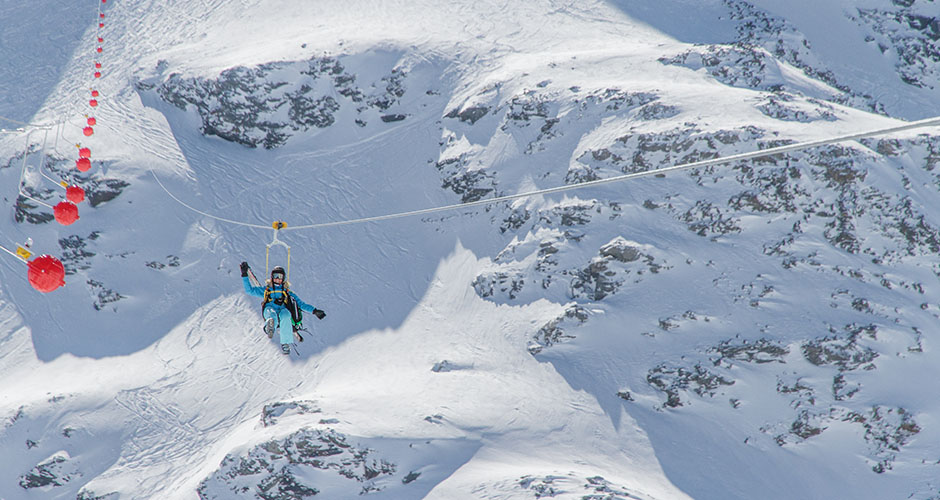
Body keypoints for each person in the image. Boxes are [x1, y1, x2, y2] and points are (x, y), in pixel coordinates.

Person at [241, 262, 325, 354]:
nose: (277, 279)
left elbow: (301, 304)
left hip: (281, 311)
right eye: (275, 276)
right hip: (269, 310)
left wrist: (314, 311)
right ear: (272, 277)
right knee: (271, 313)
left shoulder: (287, 292)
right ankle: (269, 327)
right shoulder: (266, 290)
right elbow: (249, 290)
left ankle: (285, 343)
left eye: (280, 277)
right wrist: (244, 275)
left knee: (286, 314)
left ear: (283, 279)